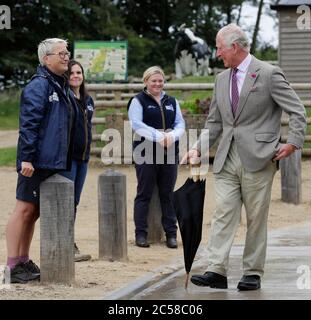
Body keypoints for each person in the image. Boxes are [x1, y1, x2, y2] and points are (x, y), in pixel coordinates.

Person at [182, 24, 307, 290]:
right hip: (227, 157)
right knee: (223, 212)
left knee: (256, 217)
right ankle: (216, 269)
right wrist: (198, 148)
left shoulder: (269, 74)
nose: (217, 54)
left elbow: (297, 111)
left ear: (234, 47)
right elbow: (214, 122)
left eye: (219, 48)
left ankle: (252, 272)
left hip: (260, 158)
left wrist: (293, 143)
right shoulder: (221, 79)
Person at [5, 38, 76, 283]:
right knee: (23, 209)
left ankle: (23, 260)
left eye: (67, 52)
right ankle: (11, 265)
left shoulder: (60, 84)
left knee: (33, 212)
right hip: (34, 162)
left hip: (50, 162)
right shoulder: (39, 86)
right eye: (61, 53)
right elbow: (29, 126)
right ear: (46, 58)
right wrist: (26, 158)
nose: (66, 56)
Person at [128, 66, 185, 248]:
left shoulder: (172, 101)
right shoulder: (138, 101)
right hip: (145, 151)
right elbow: (137, 124)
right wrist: (159, 136)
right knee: (144, 193)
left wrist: (172, 136)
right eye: (154, 81)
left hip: (169, 152)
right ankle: (141, 234)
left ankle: (171, 234)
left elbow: (180, 124)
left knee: (167, 193)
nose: (157, 84)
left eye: (160, 81)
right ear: (146, 82)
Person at [60, 60, 94, 262]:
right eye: (71, 72)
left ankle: (69, 241)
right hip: (68, 158)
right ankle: (65, 244)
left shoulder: (88, 100)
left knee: (75, 201)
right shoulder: (65, 98)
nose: (75, 75)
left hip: (83, 158)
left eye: (78, 72)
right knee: (66, 202)